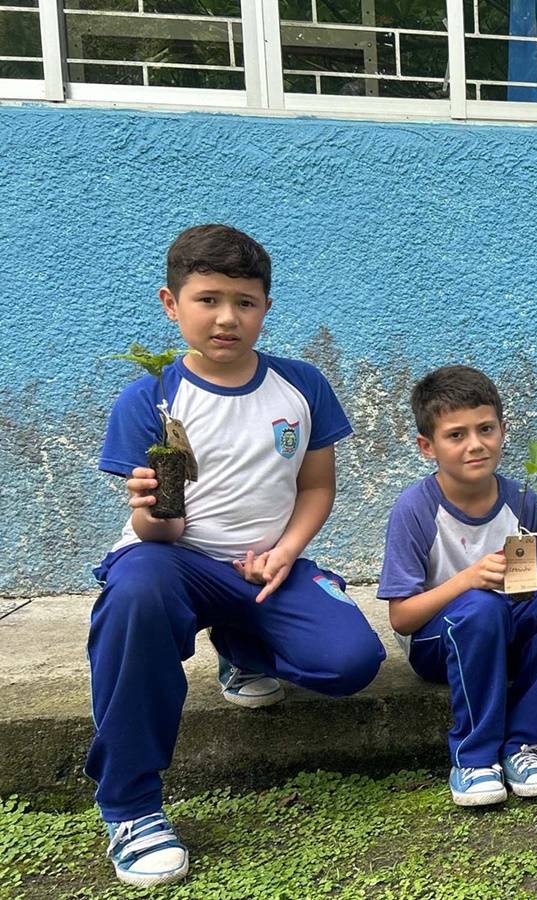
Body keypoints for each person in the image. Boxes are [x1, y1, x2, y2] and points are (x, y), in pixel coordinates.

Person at [89, 225, 385, 886]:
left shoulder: (300, 385)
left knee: (352, 660)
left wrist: (286, 550)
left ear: (266, 308)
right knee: (136, 587)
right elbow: (158, 535)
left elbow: (315, 486)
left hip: (265, 567)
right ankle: (132, 807)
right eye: (208, 299)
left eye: (245, 302)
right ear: (172, 303)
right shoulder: (152, 397)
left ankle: (240, 647)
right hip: (175, 564)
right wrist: (149, 512)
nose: (227, 317)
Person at [378, 365, 537, 807]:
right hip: (440, 643)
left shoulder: (521, 499)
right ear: (427, 447)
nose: (475, 444)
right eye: (456, 435)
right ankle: (473, 758)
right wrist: (466, 581)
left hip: (504, 632)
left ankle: (523, 746)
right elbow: (401, 617)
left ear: (503, 430)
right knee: (480, 606)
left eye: (486, 429)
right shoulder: (415, 509)